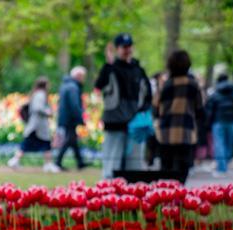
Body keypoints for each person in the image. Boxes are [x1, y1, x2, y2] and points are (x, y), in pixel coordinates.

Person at [94, 33, 152, 178]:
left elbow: (148, 95)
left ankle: (132, 194)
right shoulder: (111, 68)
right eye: (123, 47)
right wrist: (108, 63)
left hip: (135, 124)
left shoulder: (138, 69)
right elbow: (99, 85)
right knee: (111, 163)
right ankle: (108, 193)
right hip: (115, 122)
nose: (127, 50)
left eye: (129, 46)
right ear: (117, 49)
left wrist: (142, 112)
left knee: (134, 164)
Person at [153, 50, 205, 183]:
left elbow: (156, 108)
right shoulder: (193, 84)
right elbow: (200, 109)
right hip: (186, 132)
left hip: (166, 133)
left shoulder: (166, 85)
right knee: (182, 171)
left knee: (166, 172)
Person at [7, 77, 61, 173]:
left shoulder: (37, 94)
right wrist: (48, 112)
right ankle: (47, 164)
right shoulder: (40, 94)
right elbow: (38, 108)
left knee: (40, 144)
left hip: (37, 125)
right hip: (38, 126)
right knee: (42, 143)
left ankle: (47, 164)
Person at [206, 74, 233, 177]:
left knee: (219, 144)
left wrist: (207, 124)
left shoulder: (215, 93)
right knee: (229, 143)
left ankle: (222, 168)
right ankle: (225, 163)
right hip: (232, 121)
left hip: (218, 121)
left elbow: (210, 110)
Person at [55, 66, 89, 170]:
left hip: (65, 117)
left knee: (72, 140)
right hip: (70, 118)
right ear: (78, 76)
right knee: (69, 139)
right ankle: (58, 161)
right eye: (83, 76)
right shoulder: (73, 87)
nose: (83, 79)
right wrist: (80, 118)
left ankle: (80, 162)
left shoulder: (66, 85)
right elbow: (74, 105)